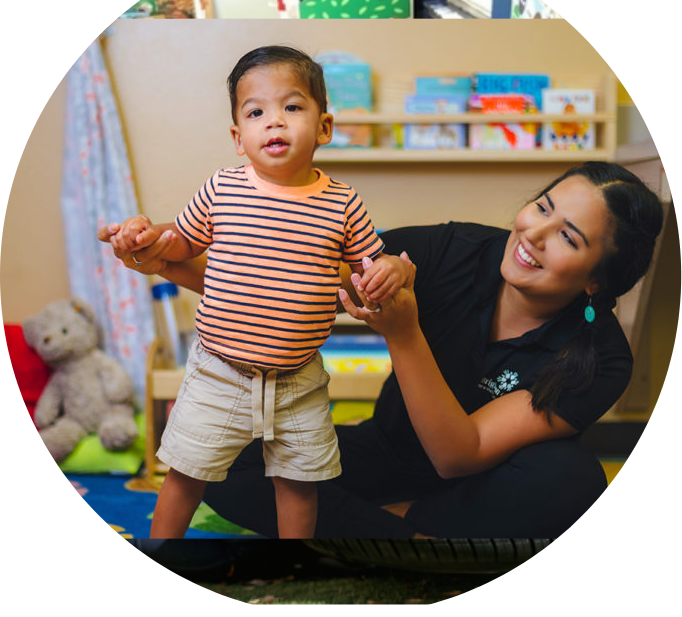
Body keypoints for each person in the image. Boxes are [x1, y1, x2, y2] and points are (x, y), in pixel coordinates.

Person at [102, 160, 663, 539]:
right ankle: (408, 540)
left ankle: (383, 530)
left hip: (475, 488)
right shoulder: (455, 248)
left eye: (569, 237)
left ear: (598, 281)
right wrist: (165, 259)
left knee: (575, 480)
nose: (534, 235)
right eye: (542, 208)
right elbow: (293, 281)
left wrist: (403, 333)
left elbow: (459, 455)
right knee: (225, 463)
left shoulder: (601, 358)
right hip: (384, 453)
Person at [103, 46, 412, 539]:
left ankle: (293, 564)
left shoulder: (342, 204)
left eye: (292, 107)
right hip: (219, 371)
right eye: (256, 112)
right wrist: (142, 236)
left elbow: (368, 267)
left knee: (299, 481)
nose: (274, 123)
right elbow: (180, 243)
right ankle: (162, 550)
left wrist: (392, 269)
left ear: (324, 127)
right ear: (238, 137)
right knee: (186, 471)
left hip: (299, 379)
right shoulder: (222, 189)